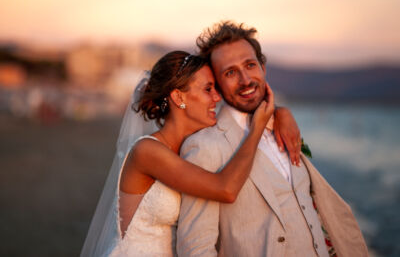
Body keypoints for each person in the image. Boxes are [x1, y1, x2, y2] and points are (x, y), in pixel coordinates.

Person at [177, 21, 369, 257]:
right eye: (230, 73)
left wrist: (280, 111)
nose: (246, 80)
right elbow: (195, 248)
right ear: (216, 83)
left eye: (250, 65)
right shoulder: (205, 146)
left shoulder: (282, 127)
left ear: (263, 67)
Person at [81, 50, 299, 256]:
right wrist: (257, 129)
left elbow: (237, 114)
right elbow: (226, 189)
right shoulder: (147, 151)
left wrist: (281, 112)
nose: (217, 98)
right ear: (178, 97)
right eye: (208, 89)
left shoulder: (192, 149)